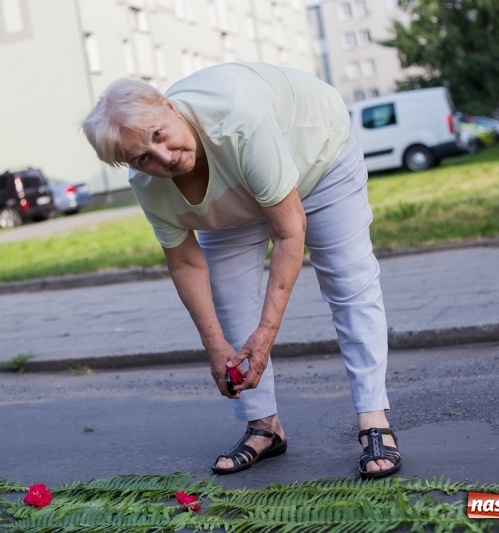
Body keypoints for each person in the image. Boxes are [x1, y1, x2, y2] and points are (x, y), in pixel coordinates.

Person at [82, 62, 401, 479]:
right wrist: (214, 346)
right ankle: (263, 427)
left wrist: (265, 336)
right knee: (230, 301)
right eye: (143, 157)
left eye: (159, 136)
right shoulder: (149, 186)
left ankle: (374, 419)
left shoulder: (236, 119)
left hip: (315, 154)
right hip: (237, 182)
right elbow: (184, 260)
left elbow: (289, 231)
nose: (165, 157)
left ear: (168, 105)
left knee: (348, 280)